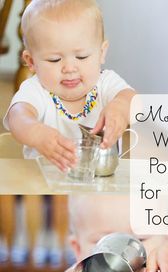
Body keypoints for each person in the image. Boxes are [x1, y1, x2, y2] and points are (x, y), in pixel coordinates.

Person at [3, 0, 135, 171]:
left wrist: (121, 107)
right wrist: (37, 133)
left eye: (81, 57)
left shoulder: (106, 83)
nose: (69, 68)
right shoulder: (36, 90)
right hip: (45, 185)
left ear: (101, 53)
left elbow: (133, 99)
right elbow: (18, 117)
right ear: (31, 61)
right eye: (54, 60)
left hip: (99, 183)